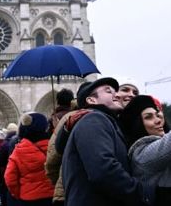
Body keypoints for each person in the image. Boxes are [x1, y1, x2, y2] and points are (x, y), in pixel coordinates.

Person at [60, 77, 155, 206]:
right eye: (108, 91)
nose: (116, 94)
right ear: (92, 100)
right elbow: (103, 170)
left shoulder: (106, 122)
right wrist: (144, 192)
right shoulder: (94, 119)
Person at [119, 95, 171, 205]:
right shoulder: (140, 153)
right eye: (148, 117)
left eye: (157, 115)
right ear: (137, 124)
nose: (158, 121)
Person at [5, 112, 54, 206]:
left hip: (28, 198)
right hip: (51, 196)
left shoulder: (18, 151)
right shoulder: (53, 145)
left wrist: (19, 193)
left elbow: (10, 178)